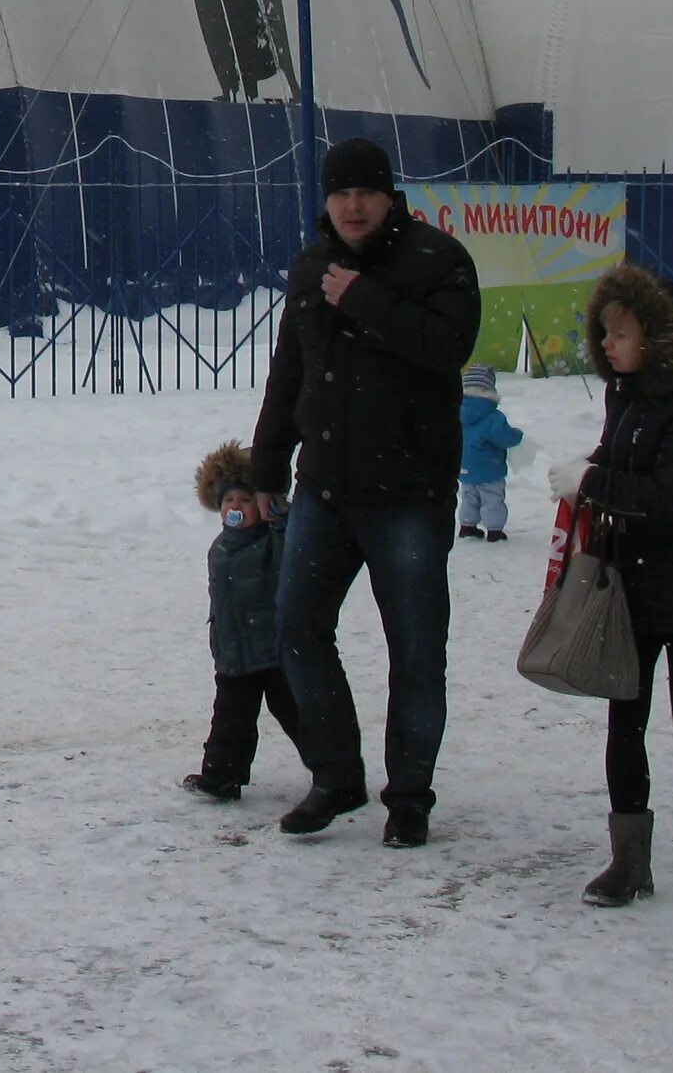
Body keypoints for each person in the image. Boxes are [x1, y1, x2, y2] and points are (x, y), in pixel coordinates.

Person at [247, 136, 481, 849]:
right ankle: (336, 775)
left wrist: (369, 299)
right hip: (325, 486)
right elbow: (290, 370)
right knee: (295, 627)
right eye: (340, 193)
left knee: (414, 646)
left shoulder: (439, 261)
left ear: (389, 197)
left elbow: (451, 347)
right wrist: (265, 466)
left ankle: (409, 794)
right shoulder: (312, 265)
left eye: (365, 192)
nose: (352, 206)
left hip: (408, 490)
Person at [553, 267, 673, 908]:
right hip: (629, 589)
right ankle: (628, 861)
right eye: (604, 332)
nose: (609, 345)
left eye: (622, 333)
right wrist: (590, 466)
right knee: (624, 722)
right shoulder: (626, 396)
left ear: (658, 338)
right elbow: (620, 459)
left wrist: (594, 483)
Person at [182, 444, 298, 803]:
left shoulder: (274, 541)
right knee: (230, 719)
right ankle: (221, 776)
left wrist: (282, 518)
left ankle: (334, 769)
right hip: (234, 651)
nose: (235, 507)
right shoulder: (221, 547)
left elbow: (292, 548)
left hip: (273, 652)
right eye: (228, 500)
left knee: (299, 714)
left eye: (245, 500)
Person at [456, 364, 521, 540]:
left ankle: (467, 525)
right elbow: (504, 437)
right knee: (492, 498)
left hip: (464, 466)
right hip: (489, 468)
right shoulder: (493, 417)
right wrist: (518, 436)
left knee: (469, 496)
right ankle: (494, 530)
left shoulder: (457, 412)